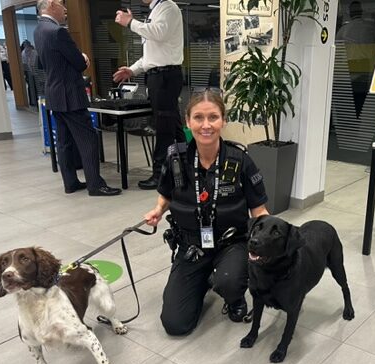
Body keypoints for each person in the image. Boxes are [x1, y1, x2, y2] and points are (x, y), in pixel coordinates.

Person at [143, 90, 269, 335]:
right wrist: (158, 209)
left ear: (223, 120)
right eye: (198, 118)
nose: (206, 125)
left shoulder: (240, 160)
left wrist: (271, 243)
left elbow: (259, 210)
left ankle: (234, 296)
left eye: (213, 117)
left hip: (232, 243)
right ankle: (203, 280)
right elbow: (166, 194)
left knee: (230, 281)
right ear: (188, 121)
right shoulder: (176, 159)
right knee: (175, 325)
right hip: (192, 245)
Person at [34, 0, 121, 196]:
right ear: (51, 6)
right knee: (88, 139)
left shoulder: (39, 30)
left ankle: (70, 182)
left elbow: (41, 63)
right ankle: (95, 185)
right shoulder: (58, 32)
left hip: (54, 94)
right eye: (61, 4)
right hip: (70, 95)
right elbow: (79, 63)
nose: (65, 9)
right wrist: (84, 58)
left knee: (64, 141)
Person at [114, 0, 186, 190]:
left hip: (165, 76)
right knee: (173, 127)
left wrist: (131, 22)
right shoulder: (155, 11)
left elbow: (158, 33)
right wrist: (132, 70)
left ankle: (160, 175)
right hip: (159, 76)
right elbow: (151, 55)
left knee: (164, 128)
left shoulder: (168, 7)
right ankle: (184, 167)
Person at [335, 1, 375, 117]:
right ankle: (355, 119)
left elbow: (336, 48)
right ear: (361, 11)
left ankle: (348, 121)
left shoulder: (344, 29)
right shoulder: (371, 27)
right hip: (364, 66)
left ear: (350, 13)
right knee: (359, 97)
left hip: (347, 66)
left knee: (346, 97)